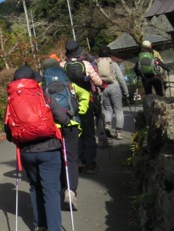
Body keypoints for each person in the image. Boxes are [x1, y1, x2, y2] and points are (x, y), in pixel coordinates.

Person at [5, 65, 71, 231]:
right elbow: (62, 118)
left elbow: (9, 133)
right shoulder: (43, 95)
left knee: (35, 187)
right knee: (51, 190)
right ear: (33, 81)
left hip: (27, 152)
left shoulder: (12, 101)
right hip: (49, 148)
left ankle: (40, 227)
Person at [41, 56, 87, 211]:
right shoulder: (68, 83)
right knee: (71, 159)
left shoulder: (42, 85)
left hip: (52, 127)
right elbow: (85, 95)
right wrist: (79, 110)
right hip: (71, 123)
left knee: (57, 159)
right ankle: (71, 191)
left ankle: (60, 189)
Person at [63, 40, 104, 174]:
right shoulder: (85, 64)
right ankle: (90, 163)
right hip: (86, 102)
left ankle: (78, 161)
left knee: (75, 132)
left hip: (69, 104)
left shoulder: (62, 65)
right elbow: (98, 81)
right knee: (89, 132)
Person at [96, 45, 129, 139]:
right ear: (109, 54)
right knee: (118, 109)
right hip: (114, 86)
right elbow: (121, 79)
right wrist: (126, 91)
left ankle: (108, 125)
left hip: (103, 87)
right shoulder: (113, 64)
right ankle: (119, 132)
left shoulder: (97, 64)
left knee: (107, 109)